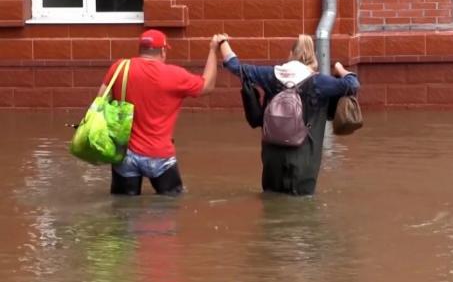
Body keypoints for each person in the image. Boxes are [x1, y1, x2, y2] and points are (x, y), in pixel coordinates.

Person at [217, 33, 360, 196]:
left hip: (272, 157)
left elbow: (234, 66)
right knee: (302, 207)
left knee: (271, 202)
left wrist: (222, 41)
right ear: (313, 58)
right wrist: (341, 69)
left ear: (291, 55)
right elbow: (352, 85)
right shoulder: (319, 82)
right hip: (304, 159)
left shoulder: (270, 75)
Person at [97, 29, 219, 196]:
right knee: (169, 208)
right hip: (159, 155)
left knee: (123, 212)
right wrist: (213, 50)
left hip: (125, 154)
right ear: (162, 50)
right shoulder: (175, 75)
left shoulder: (119, 68)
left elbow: (100, 101)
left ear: (140, 49)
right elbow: (207, 86)